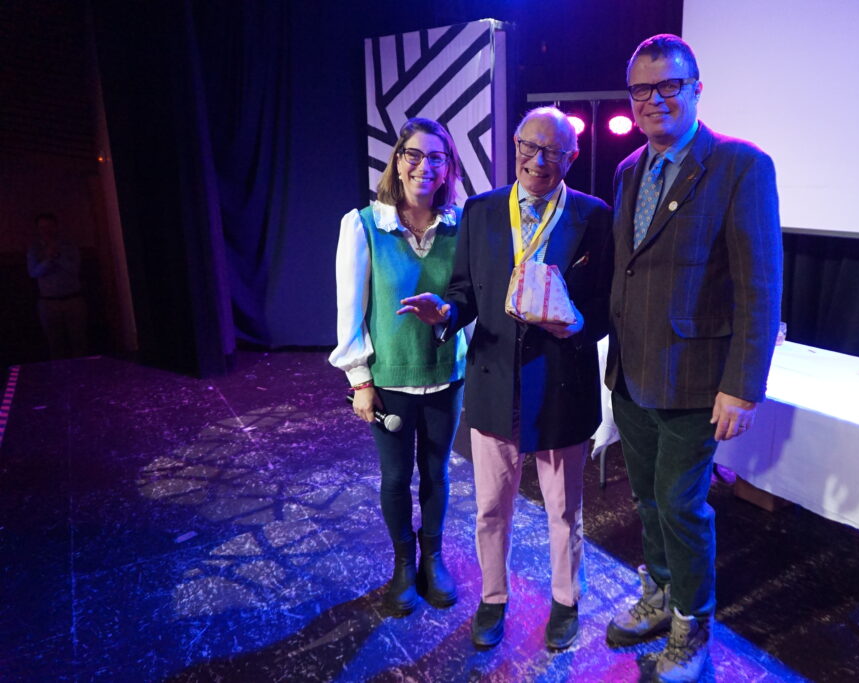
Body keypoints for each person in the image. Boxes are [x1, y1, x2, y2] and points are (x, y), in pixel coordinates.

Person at [398, 107, 613, 650]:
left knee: (564, 509)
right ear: (515, 146)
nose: (538, 161)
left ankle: (566, 600)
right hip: (494, 382)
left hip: (562, 383)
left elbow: (608, 306)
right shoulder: (482, 210)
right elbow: (464, 291)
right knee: (492, 508)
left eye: (553, 151)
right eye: (528, 147)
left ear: (572, 157)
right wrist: (446, 312)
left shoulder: (593, 216)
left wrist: (578, 323)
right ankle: (493, 599)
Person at [604, 34, 782, 682]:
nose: (653, 99)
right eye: (641, 89)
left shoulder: (740, 165)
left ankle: (691, 628)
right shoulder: (629, 169)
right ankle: (658, 594)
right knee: (647, 501)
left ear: (697, 89)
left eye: (668, 85)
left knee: (681, 506)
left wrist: (742, 385)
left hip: (696, 380)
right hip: (632, 374)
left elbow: (759, 285)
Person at [329, 118, 467, 617]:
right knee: (395, 477)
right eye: (414, 154)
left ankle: (433, 557)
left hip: (446, 372)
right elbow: (350, 310)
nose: (424, 166)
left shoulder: (461, 225)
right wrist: (360, 380)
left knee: (437, 473)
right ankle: (404, 564)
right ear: (397, 160)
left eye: (436, 157)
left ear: (448, 167)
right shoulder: (365, 224)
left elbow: (469, 300)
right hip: (389, 377)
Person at [26, 212, 88, 359]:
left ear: (56, 227)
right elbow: (33, 273)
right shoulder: (34, 249)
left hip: (73, 300)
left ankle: (83, 370)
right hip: (48, 303)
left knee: (79, 341)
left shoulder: (69, 246)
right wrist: (48, 260)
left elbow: (74, 269)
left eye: (49, 226)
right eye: (42, 227)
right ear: (38, 229)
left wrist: (57, 257)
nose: (46, 230)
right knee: (55, 344)